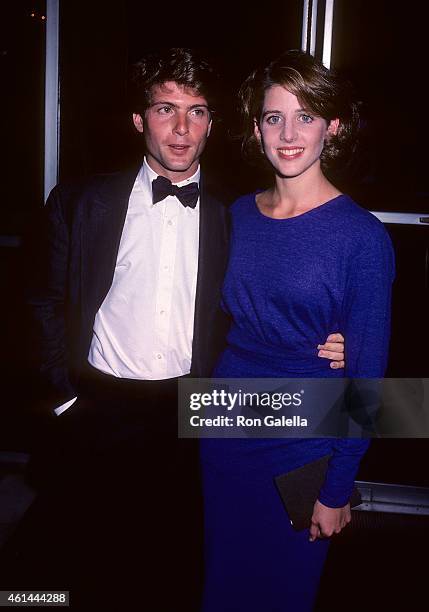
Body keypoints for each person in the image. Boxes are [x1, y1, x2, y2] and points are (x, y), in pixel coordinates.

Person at [1, 48, 344, 611]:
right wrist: (63, 400)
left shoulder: (233, 217)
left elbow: (270, 299)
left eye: (197, 111)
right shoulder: (81, 203)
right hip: (96, 404)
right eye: (165, 109)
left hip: (187, 414)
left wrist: (334, 336)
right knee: (66, 572)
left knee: (168, 568)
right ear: (140, 119)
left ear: (214, 122)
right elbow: (38, 301)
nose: (181, 129)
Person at [200, 50, 395, 612]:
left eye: (306, 116)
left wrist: (337, 490)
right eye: (273, 117)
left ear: (332, 127)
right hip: (222, 426)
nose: (288, 134)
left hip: (302, 444)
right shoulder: (232, 215)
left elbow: (367, 382)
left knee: (283, 594)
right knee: (222, 587)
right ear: (256, 127)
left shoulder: (361, 238)